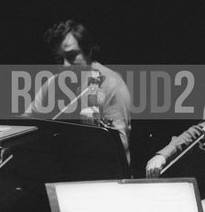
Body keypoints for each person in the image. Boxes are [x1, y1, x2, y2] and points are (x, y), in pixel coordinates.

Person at [32, 20, 132, 164]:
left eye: (72, 56)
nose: (65, 66)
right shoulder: (52, 84)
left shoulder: (111, 84)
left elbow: (119, 147)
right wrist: (2, 147)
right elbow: (27, 123)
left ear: (88, 51)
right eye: (59, 59)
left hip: (104, 175)